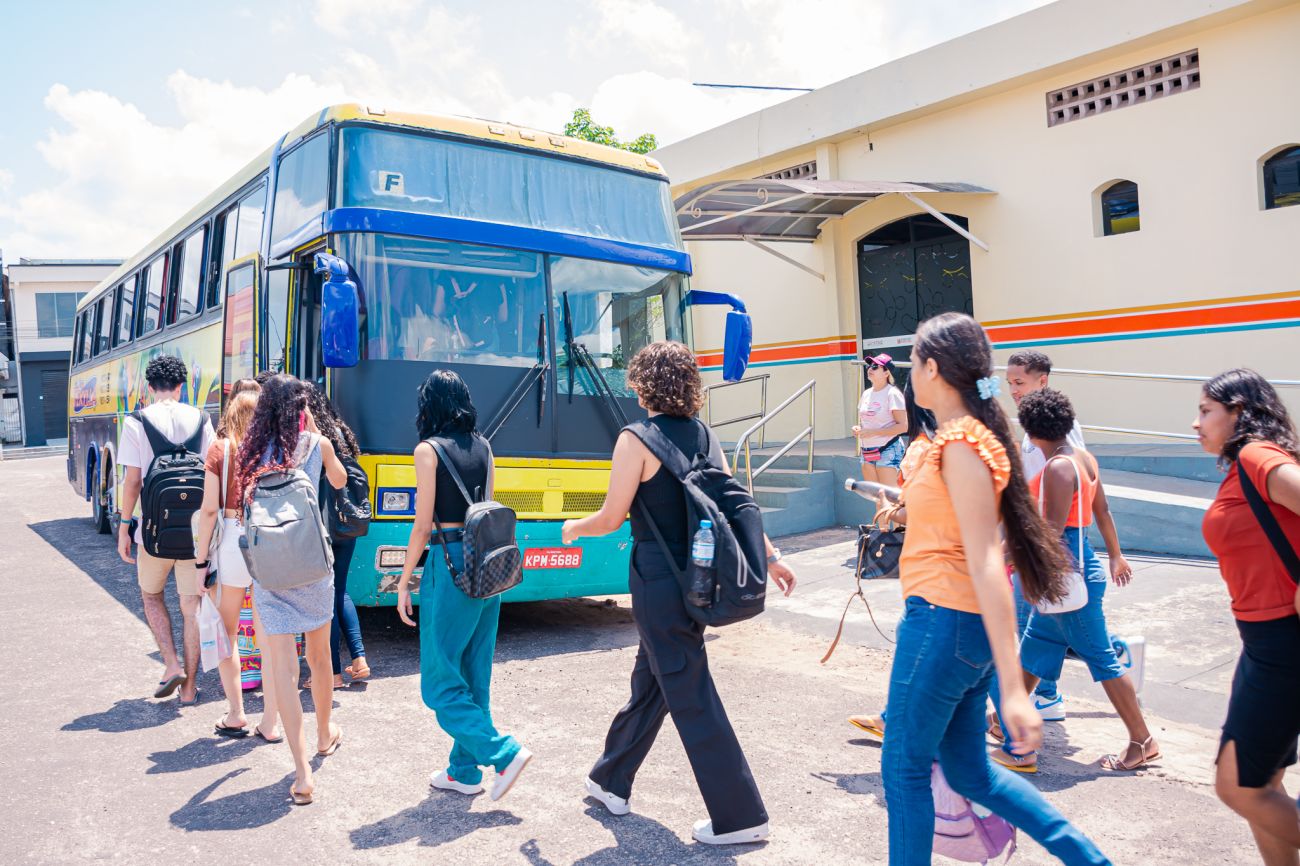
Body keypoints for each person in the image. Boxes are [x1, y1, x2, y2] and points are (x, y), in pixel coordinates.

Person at [875, 312, 1110, 866]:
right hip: (958, 626)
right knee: (969, 772)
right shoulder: (964, 439)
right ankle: (1088, 859)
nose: (910, 374)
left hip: (943, 621)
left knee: (904, 768)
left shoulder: (961, 442)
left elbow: (985, 559)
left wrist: (1013, 690)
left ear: (934, 369)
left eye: (914, 362)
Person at [560, 340, 797, 846]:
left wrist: (574, 527)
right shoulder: (704, 435)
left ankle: (740, 816)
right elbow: (732, 505)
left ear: (642, 384)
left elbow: (612, 517)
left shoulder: (634, 439)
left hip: (657, 580)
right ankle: (610, 780)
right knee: (654, 679)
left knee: (689, 690)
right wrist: (771, 556)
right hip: (698, 577)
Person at [987, 389, 1152, 775]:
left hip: (1066, 576)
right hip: (1071, 571)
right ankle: (1006, 721)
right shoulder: (1083, 459)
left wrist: (996, 559)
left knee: (1101, 658)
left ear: (1031, 432)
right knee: (1035, 649)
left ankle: (1142, 740)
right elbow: (1102, 509)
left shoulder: (1059, 468)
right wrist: (1114, 554)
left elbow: (1048, 531)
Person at [395, 370, 532, 801]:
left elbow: (422, 526)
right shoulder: (485, 446)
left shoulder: (427, 451)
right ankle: (464, 772)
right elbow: (484, 509)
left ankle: (503, 753)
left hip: (450, 563)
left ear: (429, 404)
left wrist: (404, 581)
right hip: (488, 564)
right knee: (475, 674)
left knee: (439, 682)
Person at [1195, 368, 1300, 865]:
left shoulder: (1259, 456)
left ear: (1239, 413)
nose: (1196, 423)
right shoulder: (1240, 470)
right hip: (1261, 643)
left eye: (1205, 411)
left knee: (1239, 787)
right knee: (1263, 783)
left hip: (1283, 642)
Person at [235, 374, 347, 804]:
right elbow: (340, 481)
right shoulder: (315, 445)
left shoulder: (251, 453)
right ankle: (324, 734)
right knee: (319, 658)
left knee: (282, 671)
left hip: (271, 571)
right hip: (312, 564)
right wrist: (317, 434)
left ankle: (302, 775)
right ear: (302, 409)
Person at [117, 355, 216, 705]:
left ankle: (172, 664)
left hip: (153, 533)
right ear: (182, 386)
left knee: (151, 596)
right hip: (194, 536)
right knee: (191, 606)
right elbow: (212, 473)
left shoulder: (137, 421)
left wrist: (125, 526)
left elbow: (133, 482)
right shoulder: (202, 419)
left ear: (149, 387)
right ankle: (189, 690)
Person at [848, 378, 935, 739]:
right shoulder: (970, 444)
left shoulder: (923, 451)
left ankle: (1013, 731)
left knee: (917, 642)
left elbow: (919, 512)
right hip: (958, 575)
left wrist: (887, 510)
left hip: (933, 572)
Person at [1004, 349, 1083, 719]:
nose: (1013, 390)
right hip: (1036, 537)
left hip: (1046, 540)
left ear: (1043, 380)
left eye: (1019, 382)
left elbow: (1073, 480)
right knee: (1052, 623)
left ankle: (1045, 696)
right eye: (1009, 383)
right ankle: (1116, 654)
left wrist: (1034, 543)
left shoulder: (1060, 429)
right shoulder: (1031, 424)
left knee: (1034, 622)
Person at [192, 382, 273, 739]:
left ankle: (237, 713)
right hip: (270, 540)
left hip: (231, 541)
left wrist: (200, 563)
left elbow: (209, 510)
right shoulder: (274, 448)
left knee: (227, 632)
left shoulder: (221, 449)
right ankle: (271, 721)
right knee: (270, 637)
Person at [303, 384, 370, 690]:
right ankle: (359, 659)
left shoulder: (311, 437)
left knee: (325, 598)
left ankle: (332, 674)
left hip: (323, 525)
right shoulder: (341, 432)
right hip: (346, 523)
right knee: (339, 591)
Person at [853, 353, 907, 487]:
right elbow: (866, 422)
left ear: (886, 373)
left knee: (889, 495)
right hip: (867, 450)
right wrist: (859, 429)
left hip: (888, 448)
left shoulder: (892, 393)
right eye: (869, 366)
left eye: (875, 366)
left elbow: (903, 426)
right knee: (874, 495)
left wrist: (873, 432)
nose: (870, 369)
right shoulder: (866, 394)